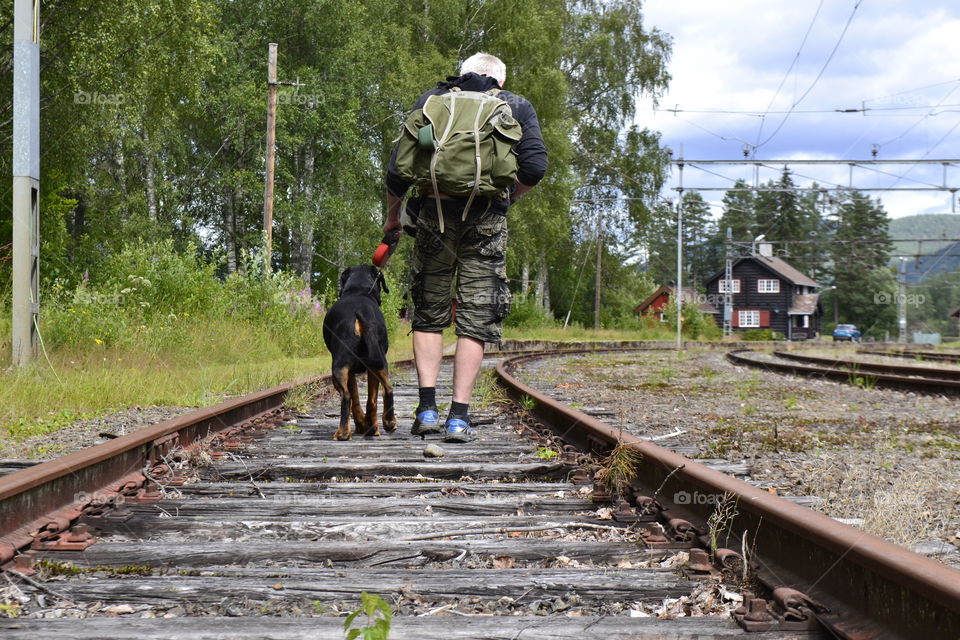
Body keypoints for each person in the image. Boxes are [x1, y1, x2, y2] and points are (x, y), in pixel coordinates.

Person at [383, 52, 547, 443]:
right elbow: (535, 168)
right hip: (485, 220)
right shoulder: (516, 106)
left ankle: (425, 410)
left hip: (432, 217)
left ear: (462, 73)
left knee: (428, 311)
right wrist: (509, 198)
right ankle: (458, 417)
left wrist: (393, 218)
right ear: (499, 81)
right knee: (476, 316)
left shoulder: (431, 100)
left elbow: (396, 170)